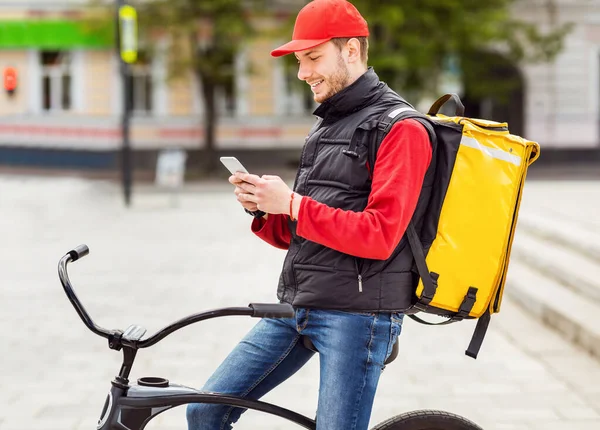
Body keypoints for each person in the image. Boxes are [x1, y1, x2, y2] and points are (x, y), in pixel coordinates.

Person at [186, 1, 433, 429]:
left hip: (358, 317)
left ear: (351, 51)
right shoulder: (327, 125)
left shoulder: (402, 129)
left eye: (313, 57)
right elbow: (302, 232)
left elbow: (379, 235)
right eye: (301, 61)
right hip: (299, 302)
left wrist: (293, 203)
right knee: (205, 409)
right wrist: (267, 209)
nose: (303, 73)